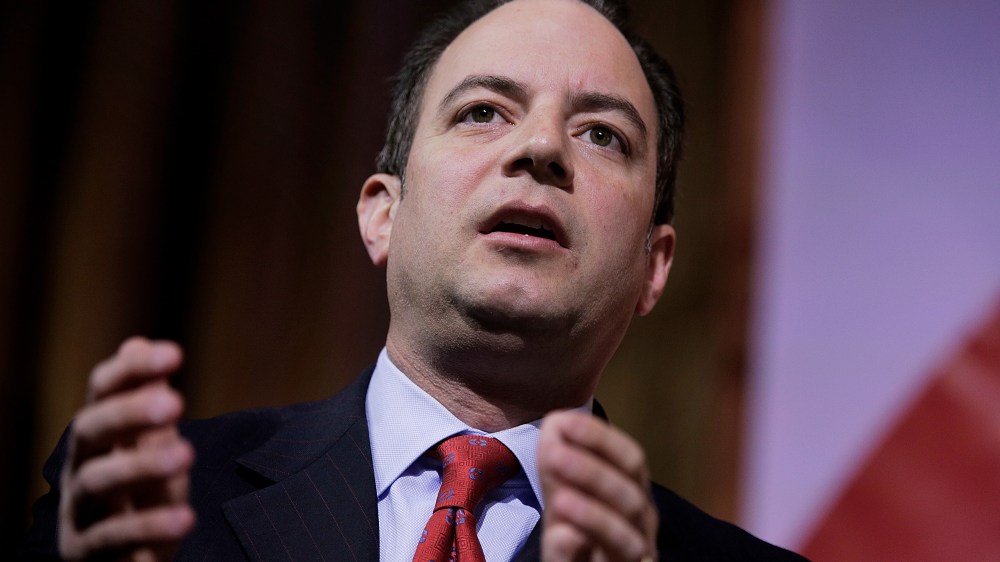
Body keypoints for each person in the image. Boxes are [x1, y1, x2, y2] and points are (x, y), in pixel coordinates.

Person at [20, 0, 807, 560]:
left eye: (602, 134)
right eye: (483, 112)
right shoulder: (149, 509)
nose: (540, 149)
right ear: (380, 215)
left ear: (654, 265)